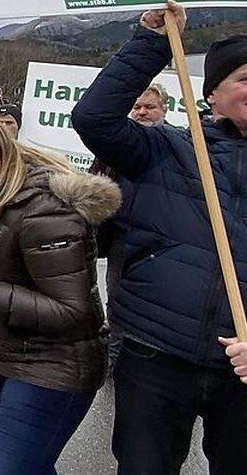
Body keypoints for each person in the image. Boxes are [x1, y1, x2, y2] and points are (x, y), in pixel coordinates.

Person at [71, 0, 247, 474]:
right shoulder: (165, 150)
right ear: (211, 93)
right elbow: (95, 119)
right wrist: (153, 42)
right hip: (155, 358)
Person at [0, 112, 116, 475]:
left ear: (3, 145)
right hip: (3, 354)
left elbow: (73, 312)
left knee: (13, 469)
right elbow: (20, 268)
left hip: (54, 365)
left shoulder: (45, 207)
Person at [87, 82, 168, 370]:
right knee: (117, 297)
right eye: (137, 107)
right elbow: (94, 180)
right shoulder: (114, 145)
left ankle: (148, 360)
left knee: (157, 301)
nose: (142, 112)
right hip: (121, 237)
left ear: (164, 110)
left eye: (149, 107)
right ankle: (114, 357)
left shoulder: (175, 146)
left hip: (162, 240)